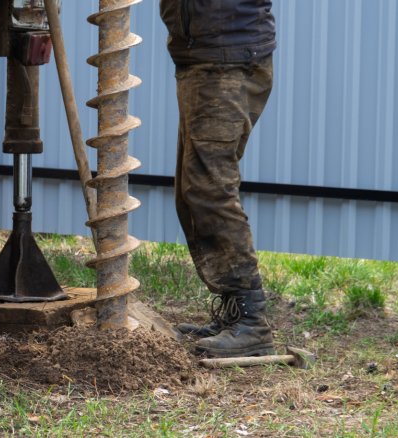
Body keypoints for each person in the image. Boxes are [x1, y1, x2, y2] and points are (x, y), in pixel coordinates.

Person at [159, 0, 276, 358]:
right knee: (193, 191)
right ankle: (234, 313)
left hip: (226, 59)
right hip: (204, 58)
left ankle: (252, 321)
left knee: (211, 189)